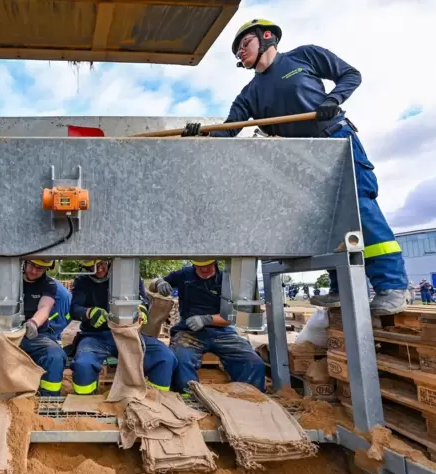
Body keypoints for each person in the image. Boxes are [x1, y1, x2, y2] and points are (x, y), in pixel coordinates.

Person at [181, 19, 408, 316]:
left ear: (266, 37)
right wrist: (201, 134)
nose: (240, 52)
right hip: (302, 160)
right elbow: (227, 132)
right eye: (236, 51)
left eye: (243, 44)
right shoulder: (250, 94)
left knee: (361, 209)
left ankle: (392, 286)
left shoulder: (305, 57)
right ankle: (341, 288)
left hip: (335, 142)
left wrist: (333, 99)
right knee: (324, 223)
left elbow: (351, 75)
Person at [153, 260, 265, 396]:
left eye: (208, 265)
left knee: (253, 362)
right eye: (200, 266)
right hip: (189, 332)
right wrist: (159, 283)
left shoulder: (226, 280)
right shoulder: (184, 274)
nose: (204, 269)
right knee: (181, 359)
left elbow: (234, 316)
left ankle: (250, 397)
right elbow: (153, 286)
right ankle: (188, 398)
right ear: (194, 264)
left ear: (216, 262)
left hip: (222, 331)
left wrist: (207, 319)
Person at [70, 260, 176, 395]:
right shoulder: (82, 281)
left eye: (101, 264)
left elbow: (143, 300)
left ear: (109, 260)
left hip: (129, 333)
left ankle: (156, 400)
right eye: (91, 266)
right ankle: (85, 405)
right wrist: (89, 313)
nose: (98, 269)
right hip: (96, 337)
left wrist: (142, 308)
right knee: (83, 364)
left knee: (165, 356)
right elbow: (74, 309)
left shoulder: (129, 277)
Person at [0, 260, 66, 395]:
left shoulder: (48, 284)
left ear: (47, 269)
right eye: (32, 265)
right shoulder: (6, 281)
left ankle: (48, 399)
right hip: (4, 335)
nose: (34, 271)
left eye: (40, 268)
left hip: (34, 336)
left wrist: (34, 323)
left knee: (55, 356)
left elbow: (44, 307)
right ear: (25, 262)